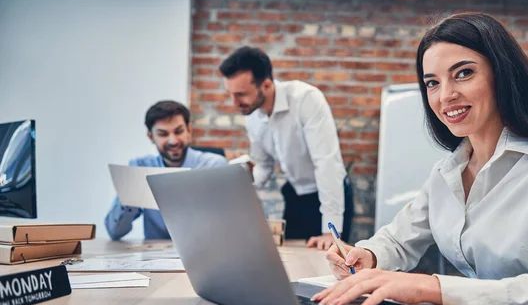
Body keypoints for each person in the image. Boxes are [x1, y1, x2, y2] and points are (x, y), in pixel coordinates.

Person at [312, 13, 528, 305]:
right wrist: (368, 256)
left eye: (463, 73)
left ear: (502, 74)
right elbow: (399, 239)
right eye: (432, 83)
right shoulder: (448, 171)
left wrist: (430, 287)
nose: (445, 95)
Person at [219, 46, 354, 250]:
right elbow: (264, 166)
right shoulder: (252, 114)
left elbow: (327, 164)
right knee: (291, 261)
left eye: (241, 95)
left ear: (266, 85)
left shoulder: (307, 99)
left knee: (326, 264)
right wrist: (240, 181)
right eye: (230, 94)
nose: (234, 103)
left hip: (328, 194)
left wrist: (330, 230)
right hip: (294, 194)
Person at [105, 100, 227, 240]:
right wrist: (129, 193)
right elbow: (114, 232)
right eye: (163, 134)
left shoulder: (214, 166)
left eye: (178, 131)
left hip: (205, 251)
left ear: (189, 130)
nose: (173, 141)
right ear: (151, 137)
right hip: (155, 258)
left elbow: (227, 226)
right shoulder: (140, 167)